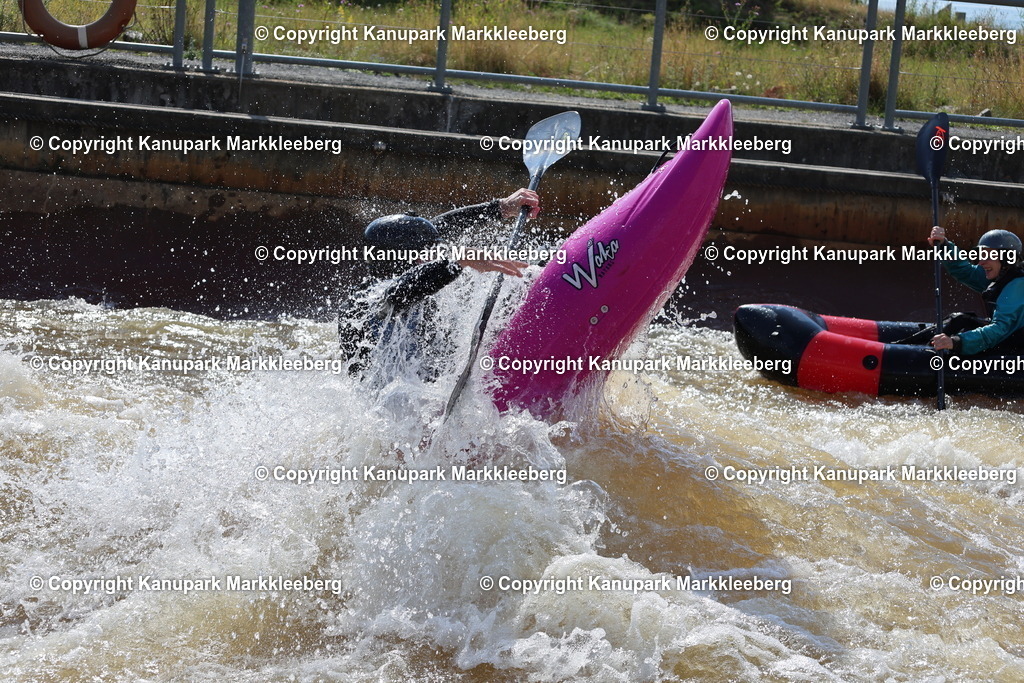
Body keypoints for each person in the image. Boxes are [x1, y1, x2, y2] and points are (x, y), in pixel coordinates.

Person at [338, 189, 540, 378]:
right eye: (430, 253)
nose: (438, 256)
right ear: (402, 260)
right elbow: (404, 289)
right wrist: (459, 258)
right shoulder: (365, 302)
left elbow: (439, 226)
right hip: (380, 403)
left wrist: (501, 208)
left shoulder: (399, 264)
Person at [927, 225, 1024, 354]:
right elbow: (965, 271)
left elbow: (1000, 329)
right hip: (1009, 338)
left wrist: (956, 342)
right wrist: (944, 245)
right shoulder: (999, 275)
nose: (981, 262)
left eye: (988, 256)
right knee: (959, 320)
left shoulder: (1017, 286)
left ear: (1006, 259)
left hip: (1016, 350)